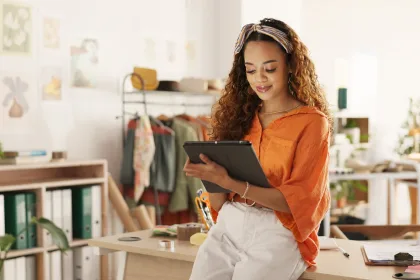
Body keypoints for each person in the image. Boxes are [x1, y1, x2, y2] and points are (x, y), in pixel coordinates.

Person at [184, 18, 332, 280]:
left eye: (270, 68)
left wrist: (231, 181)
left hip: (277, 231)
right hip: (228, 225)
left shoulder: (312, 122)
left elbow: (298, 201)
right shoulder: (238, 118)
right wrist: (211, 177)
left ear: (290, 66)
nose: (259, 79)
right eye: (250, 70)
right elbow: (219, 202)